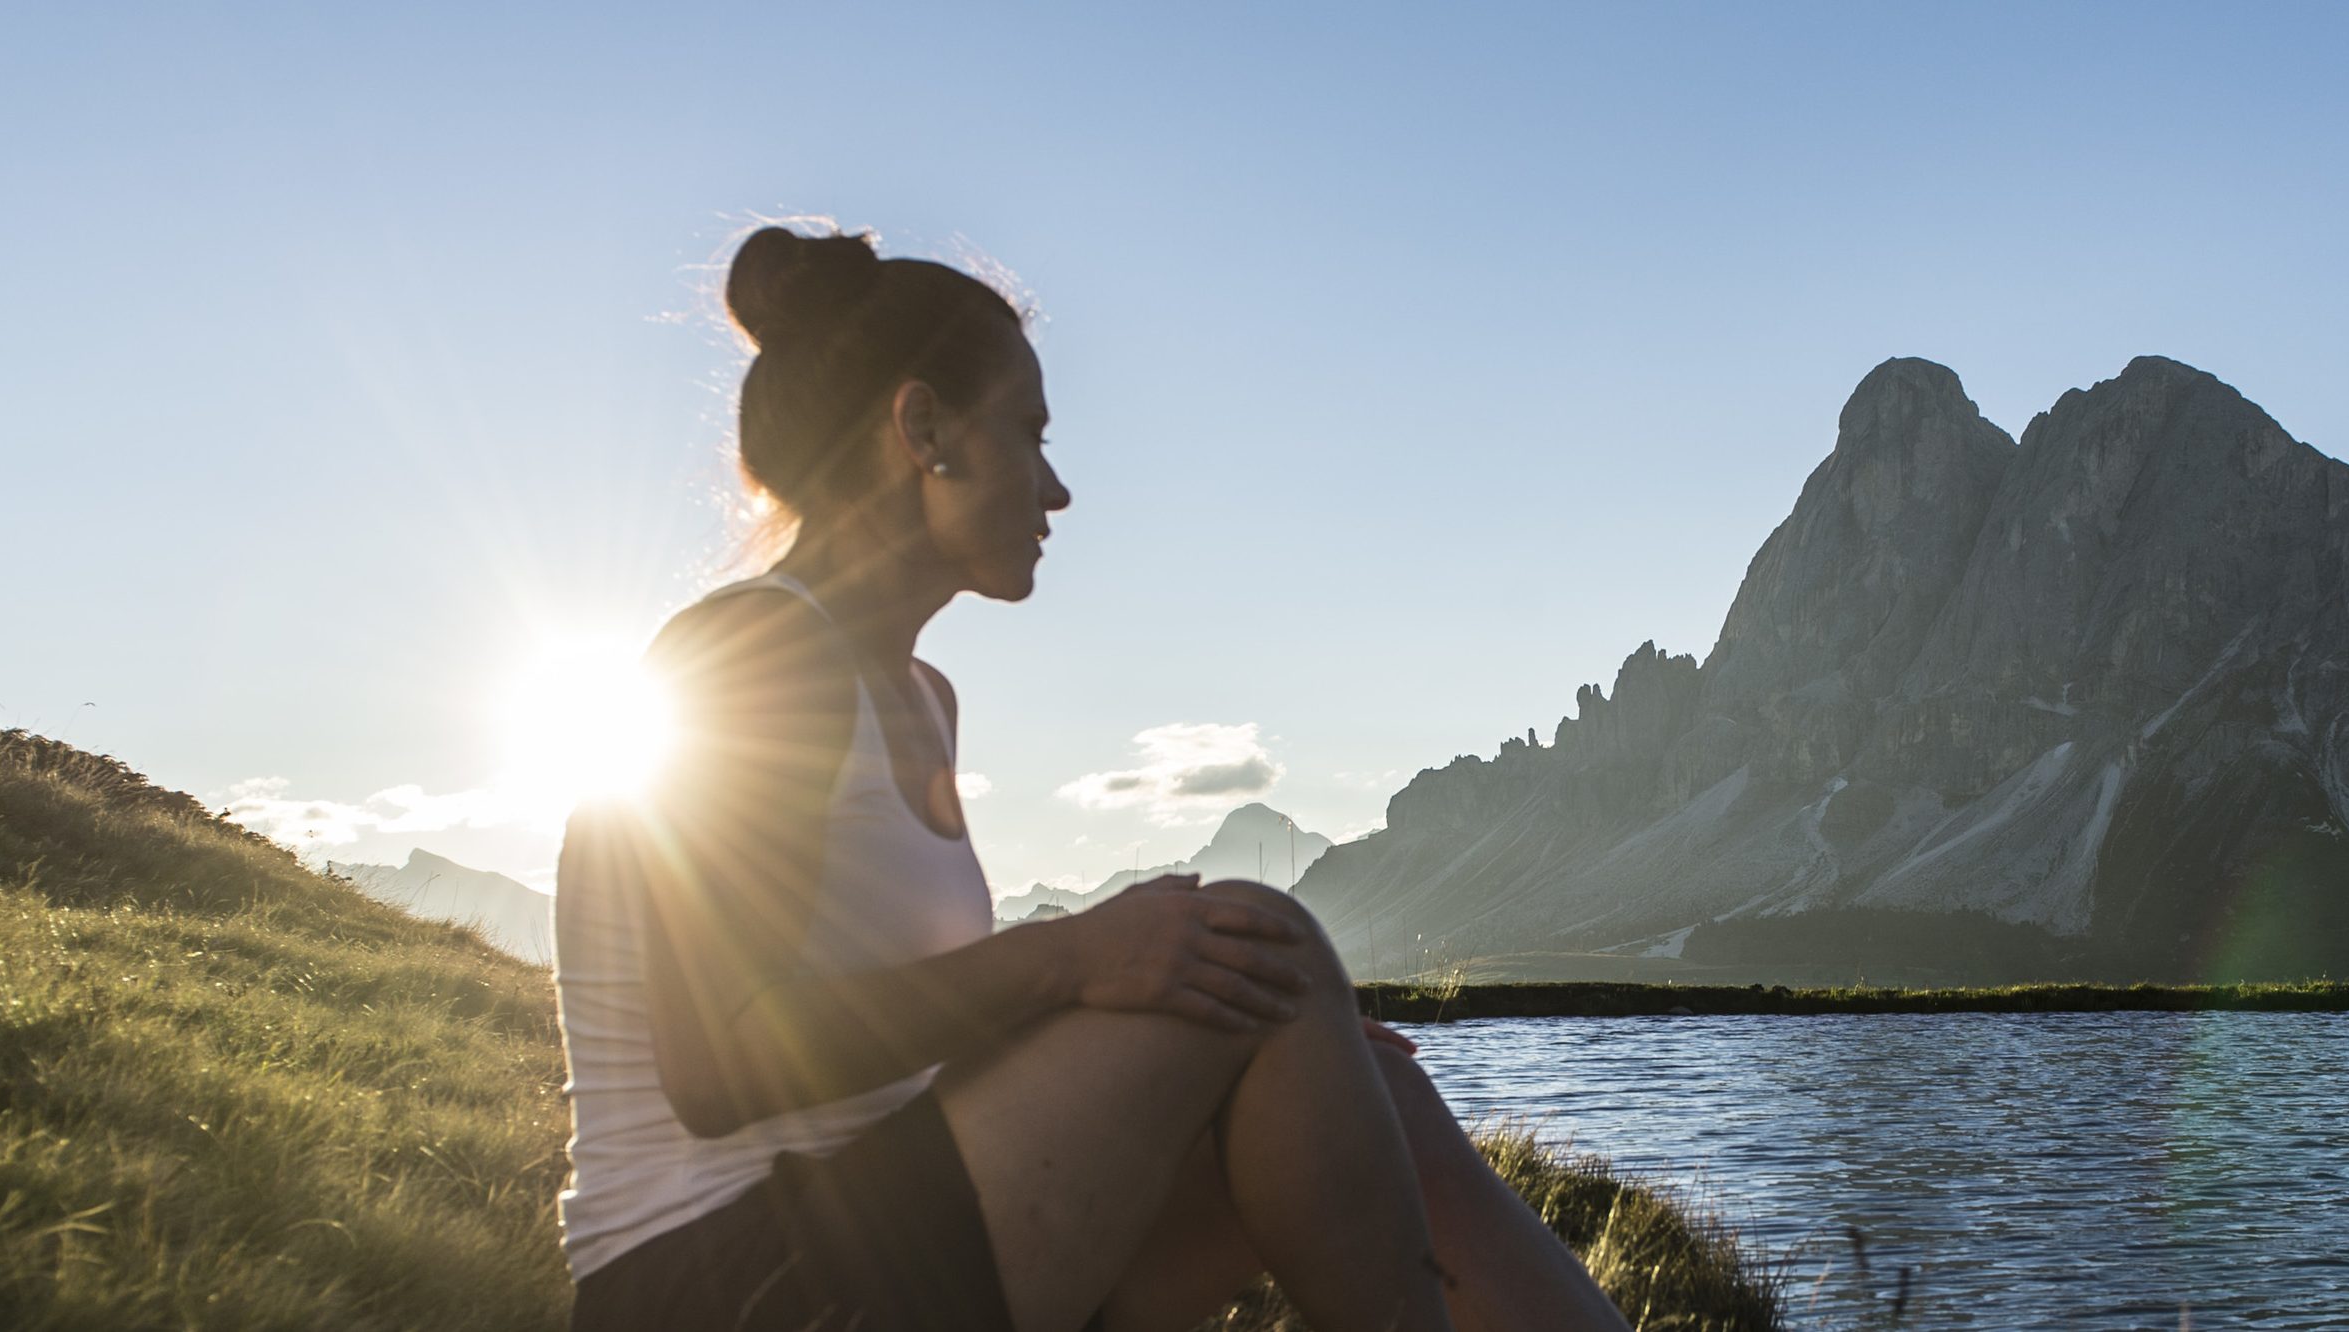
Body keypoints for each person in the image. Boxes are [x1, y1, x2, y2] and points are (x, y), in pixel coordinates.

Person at [553, 225, 1630, 1332]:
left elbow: (892, 1054)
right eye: (1027, 431)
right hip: (719, 1281)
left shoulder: (921, 698)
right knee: (1264, 941)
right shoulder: (752, 654)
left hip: (862, 1232)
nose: (1056, 489)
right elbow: (720, 1061)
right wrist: (1072, 955)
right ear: (922, 428)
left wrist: (1258, 1034)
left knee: (1367, 1083)